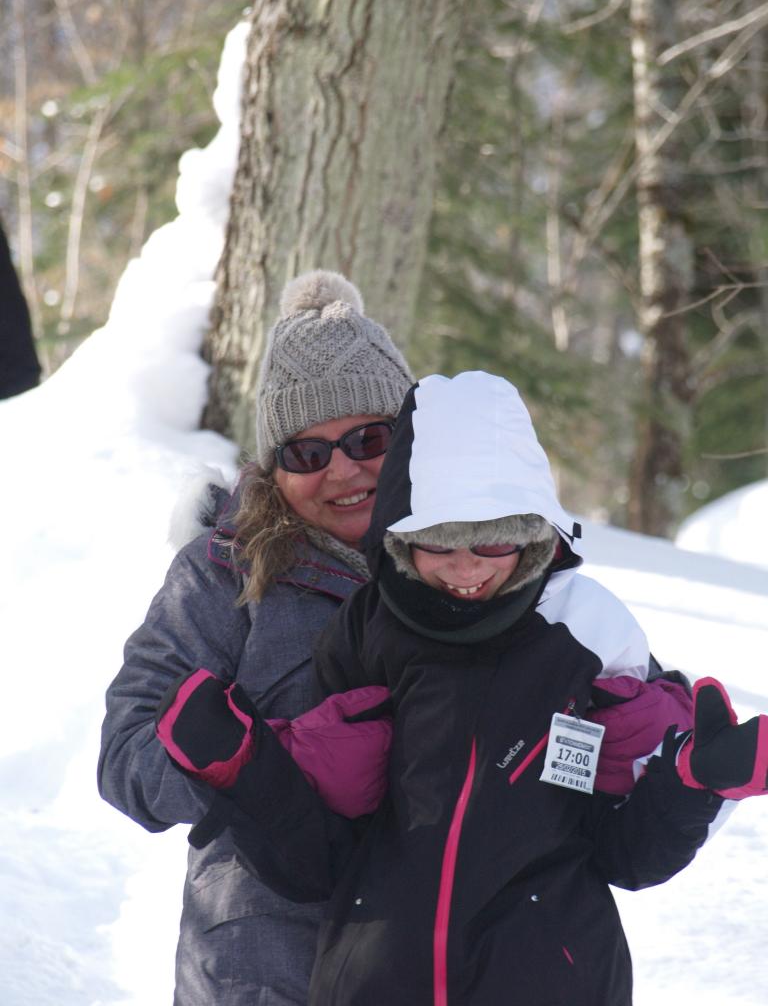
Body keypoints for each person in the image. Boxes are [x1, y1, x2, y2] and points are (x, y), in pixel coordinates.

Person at [154, 370, 768, 1006]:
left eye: (494, 538)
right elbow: (319, 861)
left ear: (535, 530)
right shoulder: (368, 633)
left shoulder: (585, 630)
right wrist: (243, 766)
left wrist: (693, 780)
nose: (467, 566)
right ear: (400, 537)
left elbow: (626, 854)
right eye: (437, 544)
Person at [97, 269, 413, 1005]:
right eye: (308, 452)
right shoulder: (223, 576)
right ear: (275, 468)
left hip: (437, 953)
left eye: (370, 436)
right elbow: (126, 755)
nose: (344, 468)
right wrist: (251, 760)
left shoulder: (478, 558)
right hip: (267, 968)